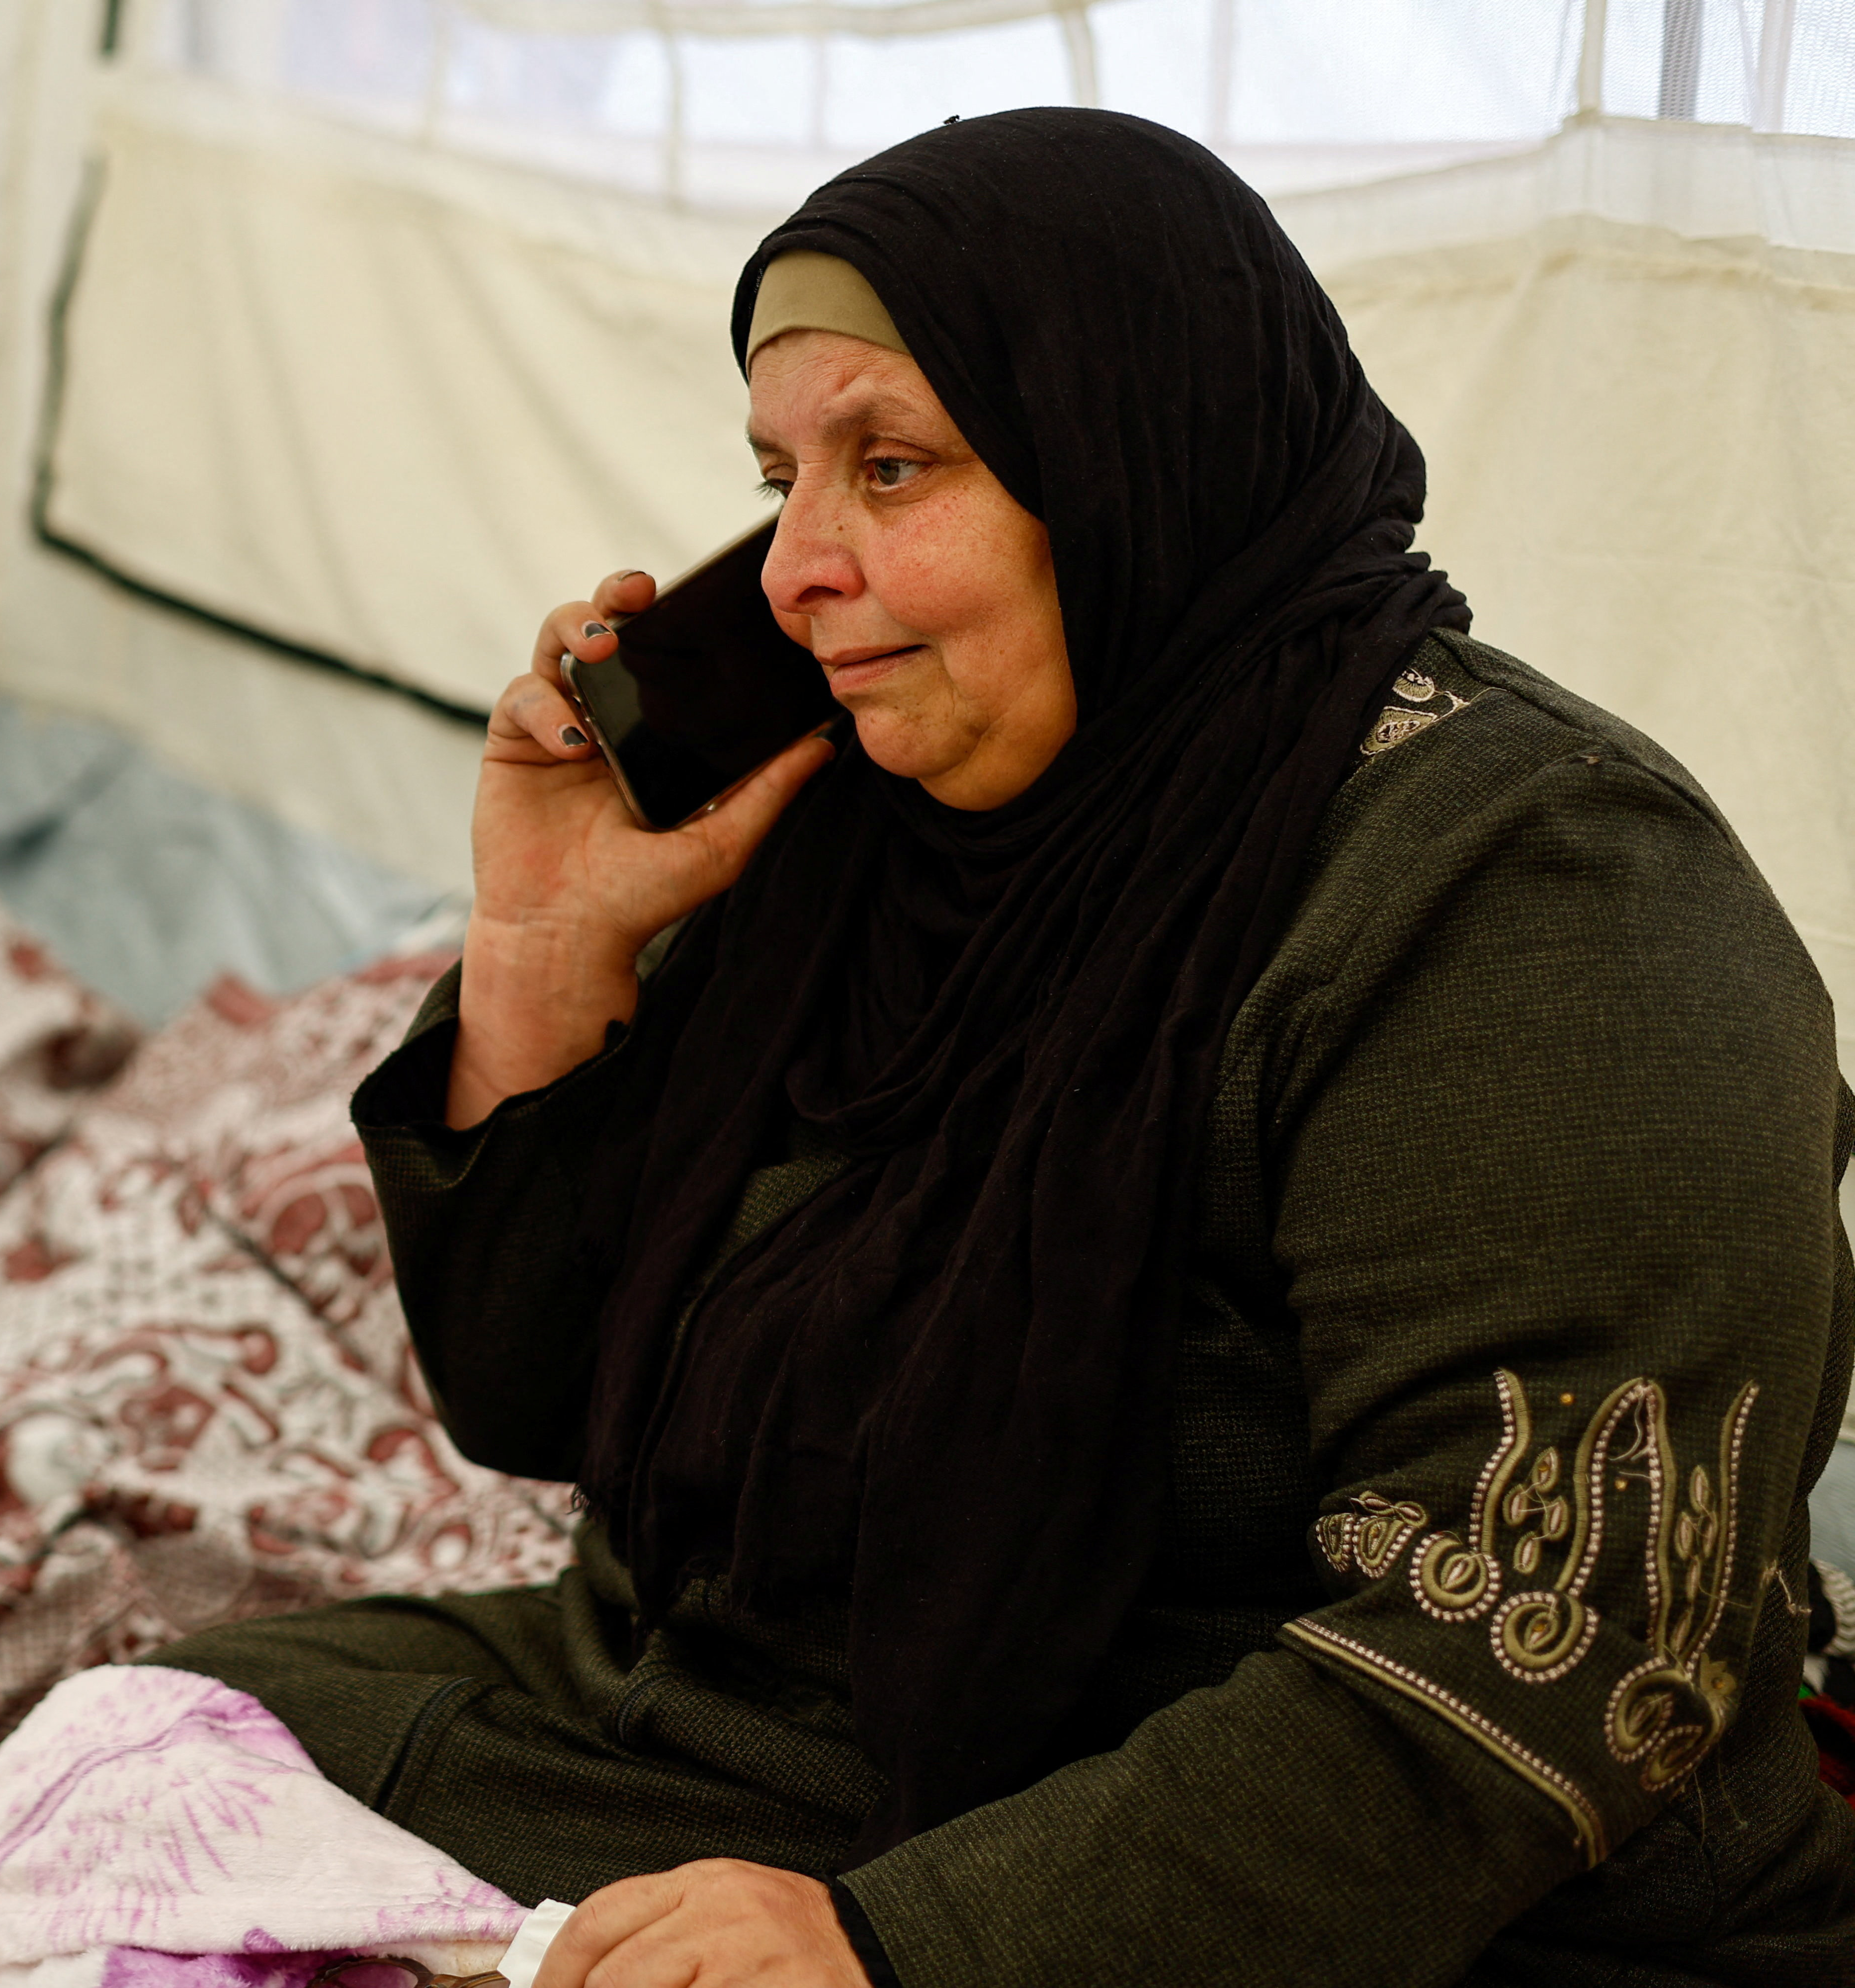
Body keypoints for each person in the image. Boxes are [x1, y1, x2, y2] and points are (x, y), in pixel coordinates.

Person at [140, 110, 1855, 1985]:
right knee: (130, 1760)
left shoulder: (1538, 896)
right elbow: (535, 1402)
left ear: (1132, 464)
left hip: (1238, 1885)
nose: (794, 567)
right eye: (778, 477)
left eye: (891, 467)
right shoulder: (893, 818)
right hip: (748, 1752)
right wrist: (546, 951)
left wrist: (904, 1950)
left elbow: (1549, 1656)